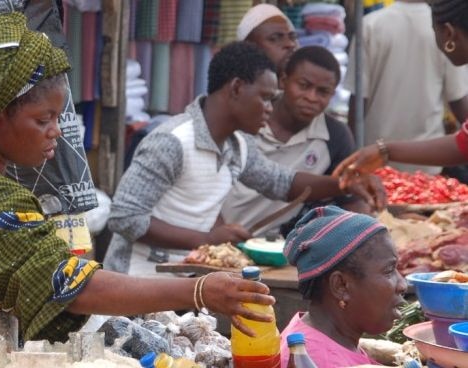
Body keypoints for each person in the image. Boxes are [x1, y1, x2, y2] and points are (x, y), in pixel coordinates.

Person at [0, 13, 277, 359]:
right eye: (43, 120)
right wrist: (199, 292)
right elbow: (70, 285)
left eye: (58, 117)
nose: (57, 133)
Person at [103, 41, 385, 277]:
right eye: (264, 98)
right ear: (236, 88)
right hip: (134, 282)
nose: (268, 109)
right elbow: (125, 217)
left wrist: (345, 183)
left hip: (184, 283)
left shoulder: (238, 143)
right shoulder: (172, 141)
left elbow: (281, 183)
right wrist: (206, 240)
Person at [222, 46, 370, 238]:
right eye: (303, 85)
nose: (311, 97)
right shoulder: (247, 116)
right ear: (283, 80)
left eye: (322, 92)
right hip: (213, 236)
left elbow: (350, 200)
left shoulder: (335, 136)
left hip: (275, 247)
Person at [333, 0, 468, 184]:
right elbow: (463, 141)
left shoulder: (371, 25)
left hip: (382, 168)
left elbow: (357, 103)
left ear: (448, 33)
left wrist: (367, 151)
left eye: (434, 31)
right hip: (425, 167)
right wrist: (384, 151)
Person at [280, 206, 407, 368]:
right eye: (389, 271)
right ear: (341, 286)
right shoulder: (316, 362)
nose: (403, 284)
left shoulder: (319, 336)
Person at [237, 3, 299, 76]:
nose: (290, 44)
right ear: (250, 47)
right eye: (275, 38)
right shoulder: (239, 86)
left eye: (292, 37)